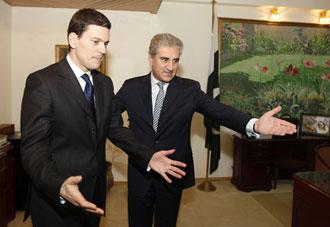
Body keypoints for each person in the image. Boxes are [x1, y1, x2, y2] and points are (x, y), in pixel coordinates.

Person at [20, 10, 186, 227]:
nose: (103, 50)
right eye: (96, 41)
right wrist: (58, 184)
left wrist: (148, 156)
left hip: (94, 194)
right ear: (73, 39)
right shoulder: (43, 82)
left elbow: (115, 128)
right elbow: (33, 147)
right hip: (56, 199)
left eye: (106, 43)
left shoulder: (104, 84)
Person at [114, 33, 297, 227]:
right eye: (164, 59)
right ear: (151, 58)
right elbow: (109, 118)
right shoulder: (131, 87)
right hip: (141, 172)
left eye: (175, 60)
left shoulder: (189, 89)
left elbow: (220, 111)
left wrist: (253, 124)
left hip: (172, 173)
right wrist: (135, 145)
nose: (170, 67)